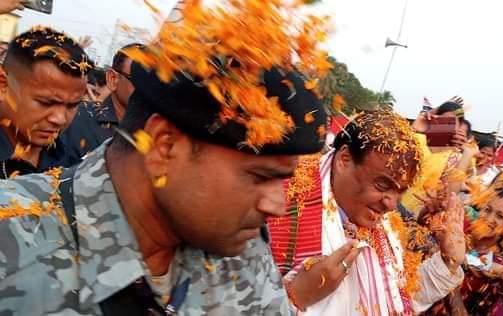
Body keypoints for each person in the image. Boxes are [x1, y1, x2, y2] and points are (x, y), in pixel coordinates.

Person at [0, 42, 330, 316]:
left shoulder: (240, 247)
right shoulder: (12, 242)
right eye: (259, 177)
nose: (276, 206)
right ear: (164, 146)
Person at [269, 111, 466, 315]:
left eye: (400, 191)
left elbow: (397, 297)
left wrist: (447, 262)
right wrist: (297, 297)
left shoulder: (386, 223)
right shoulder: (279, 206)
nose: (391, 204)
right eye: (382, 184)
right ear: (344, 159)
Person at [0, 27, 92, 178]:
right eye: (46, 103)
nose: (60, 119)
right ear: (4, 86)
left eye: (73, 105)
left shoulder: (71, 164)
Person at [63, 43, 143, 159]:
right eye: (139, 80)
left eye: (155, 84)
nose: (147, 89)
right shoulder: (75, 117)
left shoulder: (156, 134)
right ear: (113, 79)